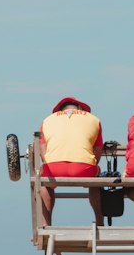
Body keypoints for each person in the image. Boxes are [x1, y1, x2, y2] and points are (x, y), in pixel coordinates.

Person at [39, 96, 104, 225]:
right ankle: (99, 220)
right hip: (84, 168)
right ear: (80, 109)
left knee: (43, 181)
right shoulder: (94, 119)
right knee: (96, 178)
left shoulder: (47, 121)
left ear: (60, 111)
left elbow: (43, 152)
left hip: (54, 168)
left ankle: (46, 224)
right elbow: (97, 150)